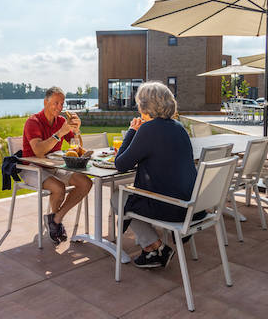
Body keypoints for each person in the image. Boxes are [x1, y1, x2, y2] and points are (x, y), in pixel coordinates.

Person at [112, 81, 201, 269]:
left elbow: (120, 164)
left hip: (171, 207)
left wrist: (132, 131)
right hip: (191, 205)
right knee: (131, 197)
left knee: (117, 197)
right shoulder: (179, 128)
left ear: (144, 106)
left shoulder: (148, 130)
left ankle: (155, 247)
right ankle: (152, 247)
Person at [22, 87, 93, 244]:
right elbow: (39, 152)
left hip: (55, 166)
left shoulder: (61, 121)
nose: (59, 107)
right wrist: (59, 134)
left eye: (62, 103)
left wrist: (76, 130)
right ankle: (56, 224)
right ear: (45, 102)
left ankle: (56, 219)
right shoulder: (33, 122)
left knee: (85, 182)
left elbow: (76, 146)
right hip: (32, 168)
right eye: (55, 103)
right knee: (58, 188)